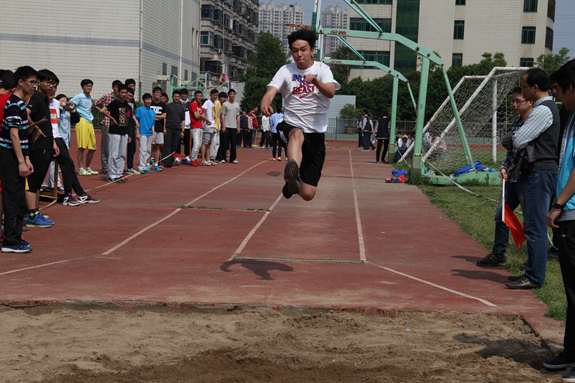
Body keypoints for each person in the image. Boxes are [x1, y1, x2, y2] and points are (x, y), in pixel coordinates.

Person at [261, 28, 340, 201]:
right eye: (295, 51)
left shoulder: (323, 69)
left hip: (316, 134)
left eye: (303, 50)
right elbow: (271, 91)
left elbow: (330, 92)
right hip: (290, 126)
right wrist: (265, 102)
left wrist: (316, 81)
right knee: (297, 134)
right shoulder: (286, 70)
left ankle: (291, 185)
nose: (299, 55)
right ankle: (293, 173)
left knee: (308, 194)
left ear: (312, 50)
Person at [505, 68, 560, 290]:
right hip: (535, 172)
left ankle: (535, 277)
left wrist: (515, 137)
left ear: (535, 88)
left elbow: (518, 140)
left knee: (535, 228)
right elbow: (518, 139)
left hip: (539, 173)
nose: (523, 91)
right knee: (532, 227)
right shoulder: (542, 109)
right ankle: (532, 273)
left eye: (525, 87)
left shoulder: (543, 110)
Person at [543, 59, 575, 382]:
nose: (558, 98)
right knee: (571, 291)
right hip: (568, 213)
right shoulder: (571, 115)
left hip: (572, 212)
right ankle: (571, 352)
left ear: (571, 87)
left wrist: (559, 203)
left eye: (559, 91)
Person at [476, 88, 532, 267]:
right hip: (512, 180)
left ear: (529, 101)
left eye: (518, 101)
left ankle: (533, 259)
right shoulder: (516, 123)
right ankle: (499, 254)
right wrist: (503, 168)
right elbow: (510, 151)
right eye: (513, 101)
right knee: (501, 216)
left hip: (527, 179)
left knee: (530, 221)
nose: (514, 105)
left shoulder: (535, 123)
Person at [0, 66, 36, 252]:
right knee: (13, 197)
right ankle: (11, 241)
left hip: (17, 155)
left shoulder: (20, 104)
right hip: (9, 156)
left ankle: (13, 238)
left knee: (18, 196)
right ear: (20, 82)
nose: (34, 86)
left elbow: (22, 136)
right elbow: (14, 135)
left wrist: (27, 158)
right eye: (32, 82)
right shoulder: (14, 104)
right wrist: (21, 161)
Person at [49, 86, 99, 206]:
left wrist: (72, 109)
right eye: (62, 100)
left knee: (65, 166)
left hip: (63, 141)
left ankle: (75, 193)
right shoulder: (57, 109)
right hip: (54, 141)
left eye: (66, 100)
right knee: (57, 165)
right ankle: (56, 186)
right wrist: (60, 105)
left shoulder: (66, 112)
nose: (65, 102)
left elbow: (76, 119)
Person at [26, 69, 59, 228]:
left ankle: (35, 211)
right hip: (38, 147)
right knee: (33, 182)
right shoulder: (37, 99)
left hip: (46, 145)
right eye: (48, 82)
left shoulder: (44, 100)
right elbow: (24, 113)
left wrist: (51, 141)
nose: (51, 86)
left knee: (37, 182)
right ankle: (31, 215)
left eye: (53, 83)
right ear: (38, 82)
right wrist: (35, 128)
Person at [98, 85, 135, 183]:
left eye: (125, 93)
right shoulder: (115, 103)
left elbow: (129, 122)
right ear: (118, 93)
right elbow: (102, 110)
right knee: (114, 154)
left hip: (124, 133)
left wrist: (129, 134)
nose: (124, 94)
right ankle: (111, 174)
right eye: (122, 92)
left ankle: (119, 173)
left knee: (122, 154)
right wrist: (112, 118)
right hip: (114, 132)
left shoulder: (128, 106)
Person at [94, 80, 122, 175]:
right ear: (112, 87)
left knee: (116, 147)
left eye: (119, 87)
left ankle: (115, 167)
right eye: (116, 87)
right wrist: (101, 110)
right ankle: (105, 167)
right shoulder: (107, 96)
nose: (117, 89)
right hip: (106, 123)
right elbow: (94, 103)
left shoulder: (121, 99)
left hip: (117, 126)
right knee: (106, 147)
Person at [71, 79, 97, 176]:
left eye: (90, 86)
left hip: (89, 122)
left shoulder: (90, 97)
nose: (88, 88)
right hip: (82, 122)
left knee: (93, 147)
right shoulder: (79, 96)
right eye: (86, 86)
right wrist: (75, 113)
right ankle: (81, 168)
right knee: (82, 146)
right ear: (82, 87)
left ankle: (87, 167)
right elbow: (69, 103)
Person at [162, 90, 185, 168]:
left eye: (178, 96)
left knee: (174, 147)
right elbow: (164, 117)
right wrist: (164, 128)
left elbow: (183, 120)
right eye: (175, 96)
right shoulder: (168, 106)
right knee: (167, 146)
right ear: (172, 97)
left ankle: (171, 163)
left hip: (177, 129)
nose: (176, 98)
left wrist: (183, 131)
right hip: (169, 128)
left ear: (180, 98)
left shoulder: (181, 108)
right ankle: (164, 163)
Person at [219, 89, 241, 163]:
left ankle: (232, 158)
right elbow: (223, 115)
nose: (232, 95)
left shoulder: (237, 105)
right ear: (228, 95)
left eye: (233, 94)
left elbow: (238, 116)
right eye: (231, 94)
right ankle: (223, 157)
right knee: (224, 143)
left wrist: (238, 126)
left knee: (233, 143)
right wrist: (224, 126)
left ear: (235, 95)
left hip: (234, 126)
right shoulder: (225, 104)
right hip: (227, 126)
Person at [135, 93, 155, 174]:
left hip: (150, 133)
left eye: (149, 99)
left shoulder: (152, 111)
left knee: (148, 151)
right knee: (142, 150)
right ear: (144, 100)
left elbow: (153, 124)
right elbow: (137, 122)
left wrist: (153, 134)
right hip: (142, 132)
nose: (148, 101)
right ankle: (141, 166)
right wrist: (138, 132)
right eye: (146, 99)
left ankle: (145, 165)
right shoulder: (139, 109)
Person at [150, 86, 166, 172]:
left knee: (157, 147)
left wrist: (153, 116)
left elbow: (164, 116)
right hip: (150, 128)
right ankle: (147, 164)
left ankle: (156, 164)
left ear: (161, 94)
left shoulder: (163, 105)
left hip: (159, 128)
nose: (157, 94)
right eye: (156, 92)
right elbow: (147, 115)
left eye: (159, 93)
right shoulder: (150, 103)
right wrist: (158, 117)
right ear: (153, 94)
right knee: (150, 146)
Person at [189, 90, 208, 166]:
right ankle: (192, 160)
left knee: (199, 144)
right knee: (196, 144)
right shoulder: (193, 104)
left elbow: (203, 116)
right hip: (194, 126)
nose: (199, 97)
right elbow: (196, 116)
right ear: (195, 96)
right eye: (198, 96)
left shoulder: (200, 106)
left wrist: (203, 118)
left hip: (200, 126)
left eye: (200, 96)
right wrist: (201, 117)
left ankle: (195, 159)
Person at [201, 89, 218, 166]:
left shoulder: (214, 103)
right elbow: (201, 111)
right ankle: (203, 159)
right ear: (210, 95)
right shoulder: (207, 102)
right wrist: (206, 120)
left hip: (213, 125)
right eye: (214, 95)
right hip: (208, 126)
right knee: (205, 142)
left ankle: (208, 159)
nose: (215, 97)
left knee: (209, 143)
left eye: (216, 95)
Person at [124, 88, 138, 175]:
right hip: (122, 129)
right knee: (120, 151)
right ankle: (118, 170)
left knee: (132, 148)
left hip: (131, 128)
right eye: (128, 95)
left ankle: (130, 167)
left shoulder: (131, 104)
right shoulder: (121, 104)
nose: (130, 97)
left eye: (132, 96)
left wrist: (136, 121)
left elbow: (131, 115)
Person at [211, 91, 227, 162]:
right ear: (219, 98)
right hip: (214, 125)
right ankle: (212, 157)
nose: (224, 99)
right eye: (223, 97)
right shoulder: (216, 103)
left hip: (218, 126)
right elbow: (213, 113)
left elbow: (221, 115)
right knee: (213, 142)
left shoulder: (222, 105)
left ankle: (214, 156)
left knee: (217, 143)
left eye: (225, 97)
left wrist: (222, 123)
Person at [180, 89, 192, 163]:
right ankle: (177, 155)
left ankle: (187, 155)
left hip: (187, 126)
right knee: (178, 142)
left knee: (187, 142)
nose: (184, 95)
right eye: (182, 94)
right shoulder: (178, 103)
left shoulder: (189, 104)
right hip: (179, 126)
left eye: (185, 94)